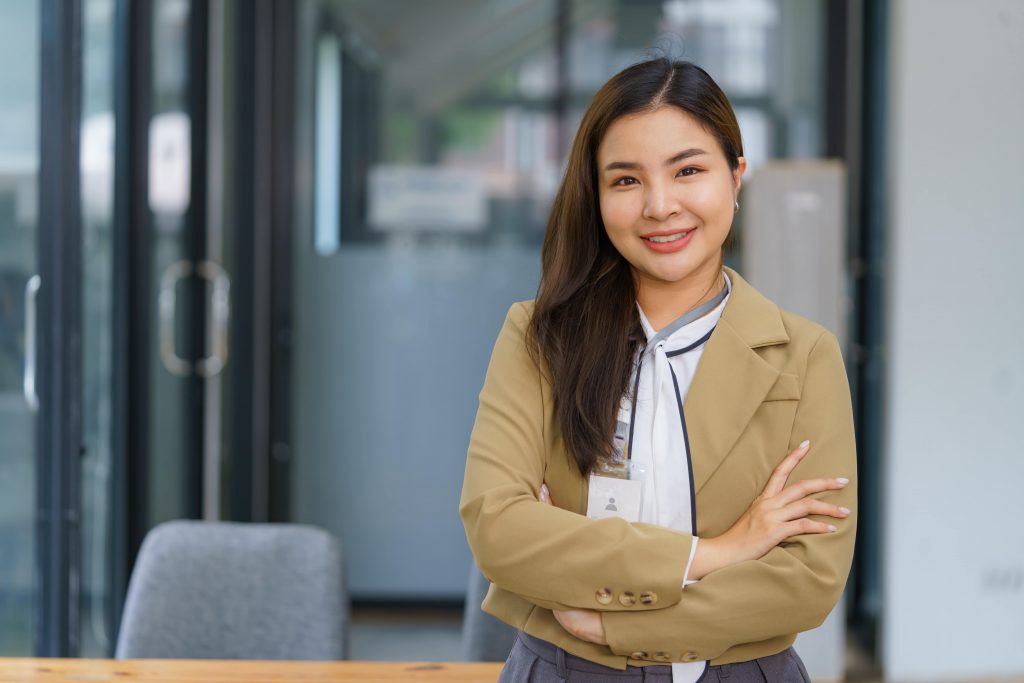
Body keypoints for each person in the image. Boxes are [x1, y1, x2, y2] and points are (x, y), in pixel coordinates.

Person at [459, 58, 856, 682]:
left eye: (688, 170)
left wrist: (621, 626)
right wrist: (717, 553)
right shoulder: (538, 337)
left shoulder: (804, 356)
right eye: (626, 180)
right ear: (596, 195)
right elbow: (499, 530)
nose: (660, 205)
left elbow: (808, 580)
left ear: (736, 176)